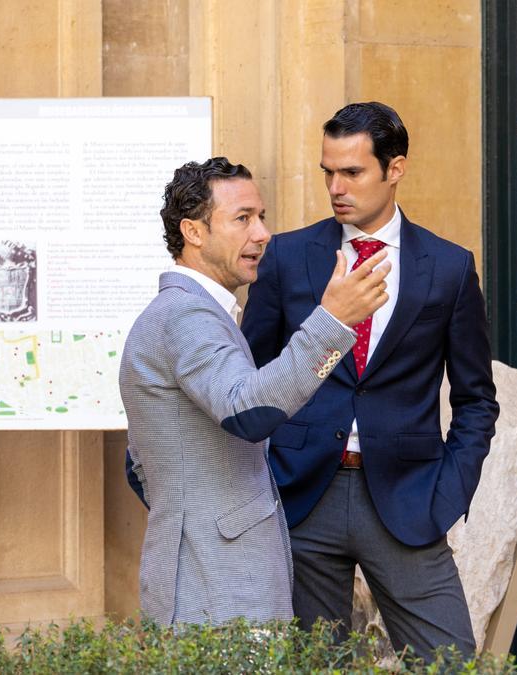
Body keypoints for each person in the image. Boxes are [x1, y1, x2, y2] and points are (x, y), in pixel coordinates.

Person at [241, 102, 500, 658]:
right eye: (327, 172)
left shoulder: (450, 267)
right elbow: (251, 382)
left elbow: (477, 398)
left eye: (352, 172)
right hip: (303, 494)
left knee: (449, 662)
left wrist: (448, 490)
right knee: (314, 666)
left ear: (395, 168)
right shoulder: (286, 256)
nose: (336, 187)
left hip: (408, 498)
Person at [119, 156, 390, 626]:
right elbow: (250, 413)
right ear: (194, 232)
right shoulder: (186, 315)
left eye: (260, 217)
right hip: (216, 589)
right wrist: (331, 323)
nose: (262, 234)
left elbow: (140, 465)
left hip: (219, 580)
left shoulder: (201, 313)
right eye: (243, 218)